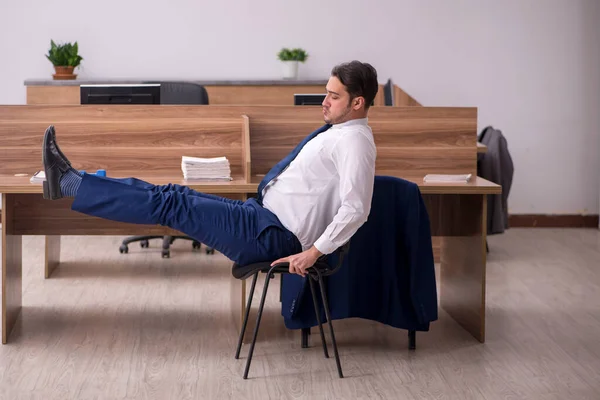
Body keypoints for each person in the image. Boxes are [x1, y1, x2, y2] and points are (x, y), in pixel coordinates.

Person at [41, 60, 378, 277]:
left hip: (273, 236)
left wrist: (313, 254)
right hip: (261, 216)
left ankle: (71, 183)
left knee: (169, 203)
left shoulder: (354, 142)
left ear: (357, 102)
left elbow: (356, 209)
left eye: (333, 96)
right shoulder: (341, 134)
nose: (324, 101)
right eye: (326, 93)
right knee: (171, 196)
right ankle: (75, 181)